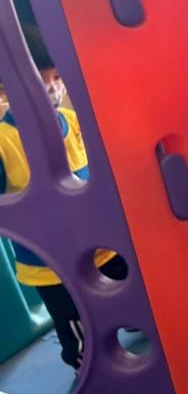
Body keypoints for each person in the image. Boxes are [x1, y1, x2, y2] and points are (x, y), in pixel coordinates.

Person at [0, 26, 127, 373]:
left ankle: (130, 326)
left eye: (56, 78)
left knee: (132, 297)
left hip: (101, 247)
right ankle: (86, 365)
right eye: (41, 81)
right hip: (49, 265)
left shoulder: (72, 121)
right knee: (75, 328)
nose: (53, 89)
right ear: (7, 89)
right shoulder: (4, 141)